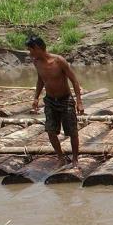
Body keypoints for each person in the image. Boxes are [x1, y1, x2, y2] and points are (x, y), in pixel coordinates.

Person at [27, 35, 83, 168]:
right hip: (50, 101)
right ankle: (60, 157)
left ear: (38, 48)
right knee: (50, 131)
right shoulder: (36, 62)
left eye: (31, 50)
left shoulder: (59, 61)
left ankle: (75, 159)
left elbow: (74, 81)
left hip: (65, 100)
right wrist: (36, 97)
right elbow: (41, 80)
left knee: (72, 131)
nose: (30, 53)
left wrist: (79, 101)